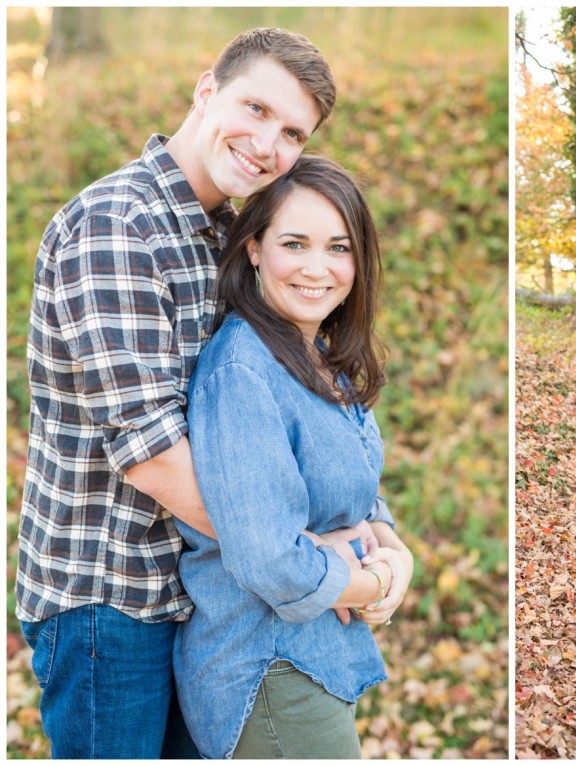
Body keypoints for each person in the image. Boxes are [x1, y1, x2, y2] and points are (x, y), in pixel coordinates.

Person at [15, 28, 352, 759]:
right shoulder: (116, 227)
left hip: (200, 593)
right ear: (207, 91)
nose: (267, 145)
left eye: (292, 132)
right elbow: (151, 456)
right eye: (255, 109)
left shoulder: (227, 235)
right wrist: (298, 555)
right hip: (111, 600)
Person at [172, 155, 412, 759]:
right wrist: (372, 581)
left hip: (314, 655)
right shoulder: (241, 372)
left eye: (338, 248)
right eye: (294, 243)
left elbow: (347, 486)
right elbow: (268, 556)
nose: (316, 268)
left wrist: (396, 552)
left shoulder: (321, 354)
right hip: (266, 664)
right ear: (253, 248)